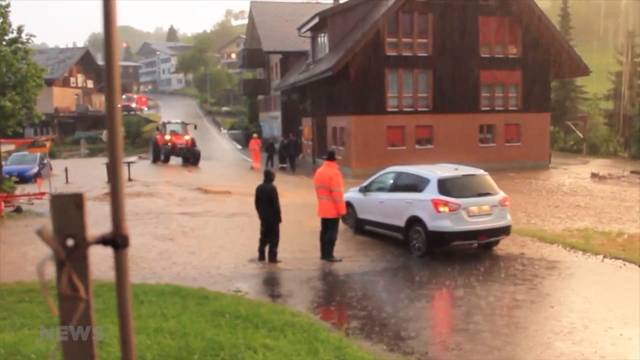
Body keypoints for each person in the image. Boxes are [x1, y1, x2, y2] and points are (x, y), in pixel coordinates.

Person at [313, 150, 346, 262]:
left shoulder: (319, 171)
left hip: (323, 208)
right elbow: (337, 194)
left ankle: (323, 254)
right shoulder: (335, 173)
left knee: (324, 231)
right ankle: (329, 255)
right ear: (335, 159)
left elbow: (318, 189)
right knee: (332, 233)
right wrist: (342, 211)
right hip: (333, 210)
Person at [254, 169, 282, 263]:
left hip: (263, 219)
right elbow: (276, 205)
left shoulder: (259, 188)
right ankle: (272, 258)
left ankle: (261, 256)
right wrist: (279, 217)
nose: (274, 177)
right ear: (270, 177)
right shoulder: (272, 188)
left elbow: (256, 203)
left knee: (263, 238)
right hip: (273, 219)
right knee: (274, 239)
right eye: (273, 175)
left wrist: (260, 215)